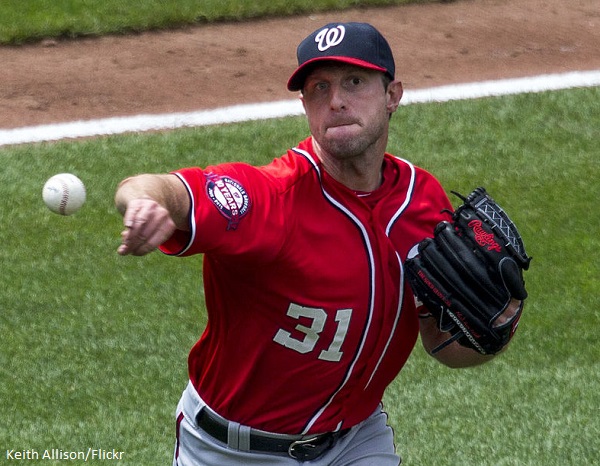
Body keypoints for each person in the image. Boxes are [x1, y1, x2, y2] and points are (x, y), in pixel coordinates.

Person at [115, 22, 519, 466]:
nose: (336, 101)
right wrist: (144, 203)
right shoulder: (272, 197)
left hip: (355, 442)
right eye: (318, 88)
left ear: (392, 95)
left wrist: (499, 325)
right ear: (305, 105)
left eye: (354, 82)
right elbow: (159, 187)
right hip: (230, 451)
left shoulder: (423, 202)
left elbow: (442, 342)